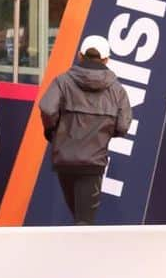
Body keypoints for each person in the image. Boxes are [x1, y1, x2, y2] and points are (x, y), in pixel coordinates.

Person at [38, 35, 131, 224]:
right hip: (93, 162)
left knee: (78, 216)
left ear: (80, 56)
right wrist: (106, 132)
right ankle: (82, 252)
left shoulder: (62, 81)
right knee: (84, 220)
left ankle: (76, 251)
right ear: (106, 59)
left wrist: (53, 131)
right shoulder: (117, 90)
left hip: (64, 159)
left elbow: (47, 109)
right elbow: (123, 125)